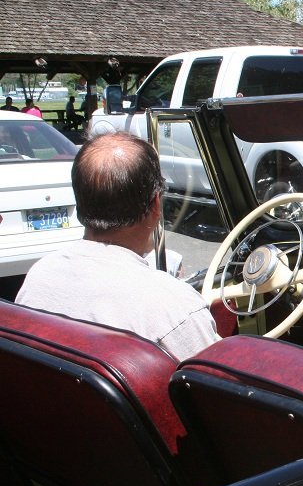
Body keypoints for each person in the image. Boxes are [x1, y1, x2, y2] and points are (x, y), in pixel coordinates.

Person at [16, 133, 220, 360]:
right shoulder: (176, 310)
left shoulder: (39, 277)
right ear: (156, 204)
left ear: (80, 200)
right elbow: (216, 378)